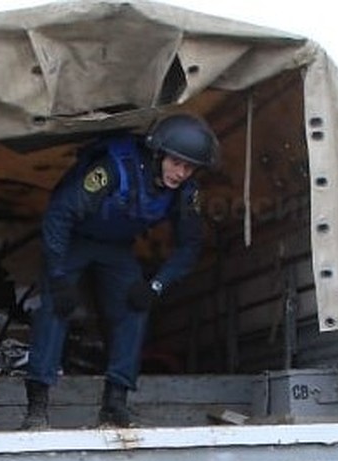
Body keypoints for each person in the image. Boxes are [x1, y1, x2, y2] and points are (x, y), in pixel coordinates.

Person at [24, 113, 218, 429]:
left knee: (134, 305)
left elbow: (189, 246)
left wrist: (155, 286)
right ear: (159, 153)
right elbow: (60, 216)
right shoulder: (115, 168)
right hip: (74, 239)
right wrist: (58, 277)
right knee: (56, 308)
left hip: (116, 248)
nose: (181, 173)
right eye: (176, 163)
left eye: (189, 167)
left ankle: (115, 403)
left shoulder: (184, 192)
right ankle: (37, 406)